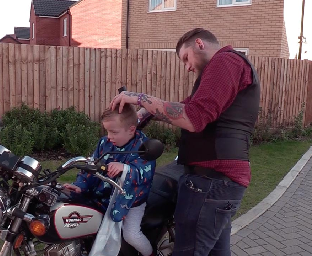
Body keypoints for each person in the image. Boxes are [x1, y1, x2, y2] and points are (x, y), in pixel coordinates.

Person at [110, 28, 260, 256]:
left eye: (186, 58)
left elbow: (193, 118)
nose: (187, 67)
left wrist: (140, 97)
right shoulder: (221, 70)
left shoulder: (226, 62)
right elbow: (185, 109)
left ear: (199, 44)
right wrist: (143, 114)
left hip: (211, 182)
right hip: (220, 183)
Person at [63, 103, 157, 256]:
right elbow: (92, 166)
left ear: (131, 130)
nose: (109, 136)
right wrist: (80, 186)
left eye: (114, 132)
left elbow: (144, 174)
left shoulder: (143, 148)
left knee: (131, 235)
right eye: (107, 131)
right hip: (104, 195)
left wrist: (125, 168)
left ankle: (151, 254)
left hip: (132, 200)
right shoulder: (104, 143)